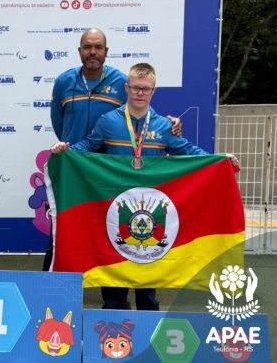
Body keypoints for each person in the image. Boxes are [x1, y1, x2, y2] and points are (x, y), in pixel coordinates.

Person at [51, 62, 240, 310]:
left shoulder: (164, 126)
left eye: (146, 89)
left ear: (154, 91)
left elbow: (188, 151)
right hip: (116, 210)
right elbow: (87, 146)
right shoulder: (108, 121)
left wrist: (219, 160)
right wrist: (65, 151)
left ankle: (148, 324)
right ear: (126, 88)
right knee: (114, 281)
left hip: (151, 211)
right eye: (136, 88)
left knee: (148, 276)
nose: (140, 93)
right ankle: (114, 322)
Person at [45, 29, 182, 272]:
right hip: (74, 170)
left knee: (110, 237)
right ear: (79, 51)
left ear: (106, 51)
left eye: (98, 47)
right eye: (87, 47)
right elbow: (58, 121)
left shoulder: (120, 82)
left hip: (108, 175)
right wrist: (67, 148)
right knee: (63, 230)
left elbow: (139, 113)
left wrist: (169, 125)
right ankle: (53, 287)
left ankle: (112, 292)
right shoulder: (64, 81)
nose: (93, 52)